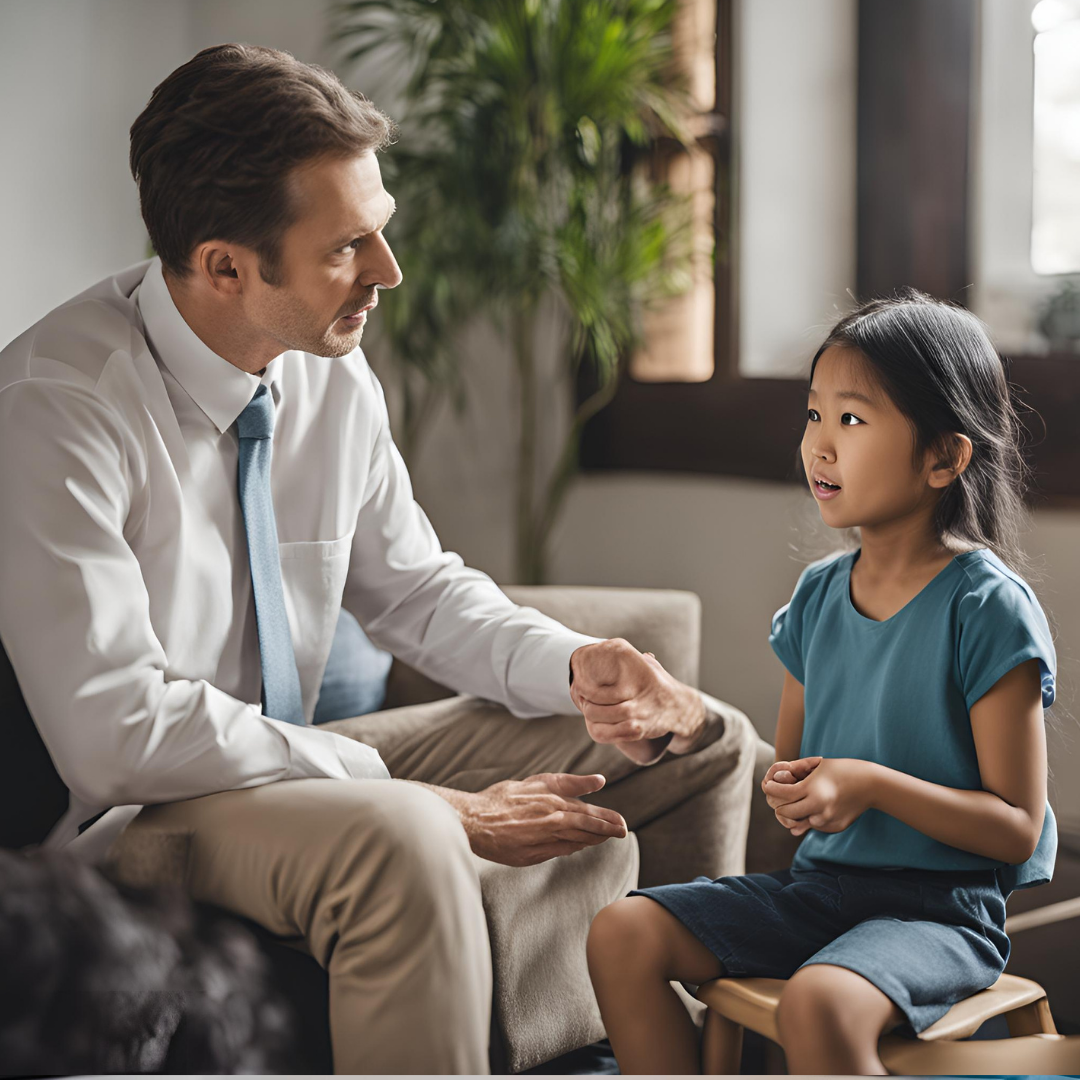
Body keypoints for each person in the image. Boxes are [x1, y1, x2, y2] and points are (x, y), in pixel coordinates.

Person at [0, 44, 757, 1074]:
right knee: (400, 839)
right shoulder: (57, 407)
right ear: (225, 264)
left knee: (702, 739)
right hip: (141, 813)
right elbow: (114, 733)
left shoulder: (326, 373)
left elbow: (415, 591)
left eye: (380, 233)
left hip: (296, 763)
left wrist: (576, 667)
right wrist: (408, 794)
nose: (388, 274)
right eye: (349, 246)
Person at [586, 293, 1057, 1075]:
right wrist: (789, 784)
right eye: (813, 417)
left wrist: (870, 786)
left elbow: (1014, 825)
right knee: (622, 933)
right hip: (820, 893)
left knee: (817, 1002)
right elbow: (798, 773)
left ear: (944, 457)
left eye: (854, 420)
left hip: (941, 915)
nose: (821, 447)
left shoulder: (986, 607)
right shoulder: (814, 599)